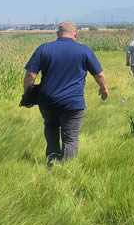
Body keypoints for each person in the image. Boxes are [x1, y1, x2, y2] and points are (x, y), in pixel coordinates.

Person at [23, 22, 108, 166]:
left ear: (58, 34)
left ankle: (53, 159)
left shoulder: (44, 49)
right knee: (71, 138)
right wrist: (104, 88)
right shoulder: (84, 50)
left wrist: (27, 94)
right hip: (73, 103)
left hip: (47, 101)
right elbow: (99, 74)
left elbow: (31, 75)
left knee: (51, 127)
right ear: (76, 34)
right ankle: (67, 169)